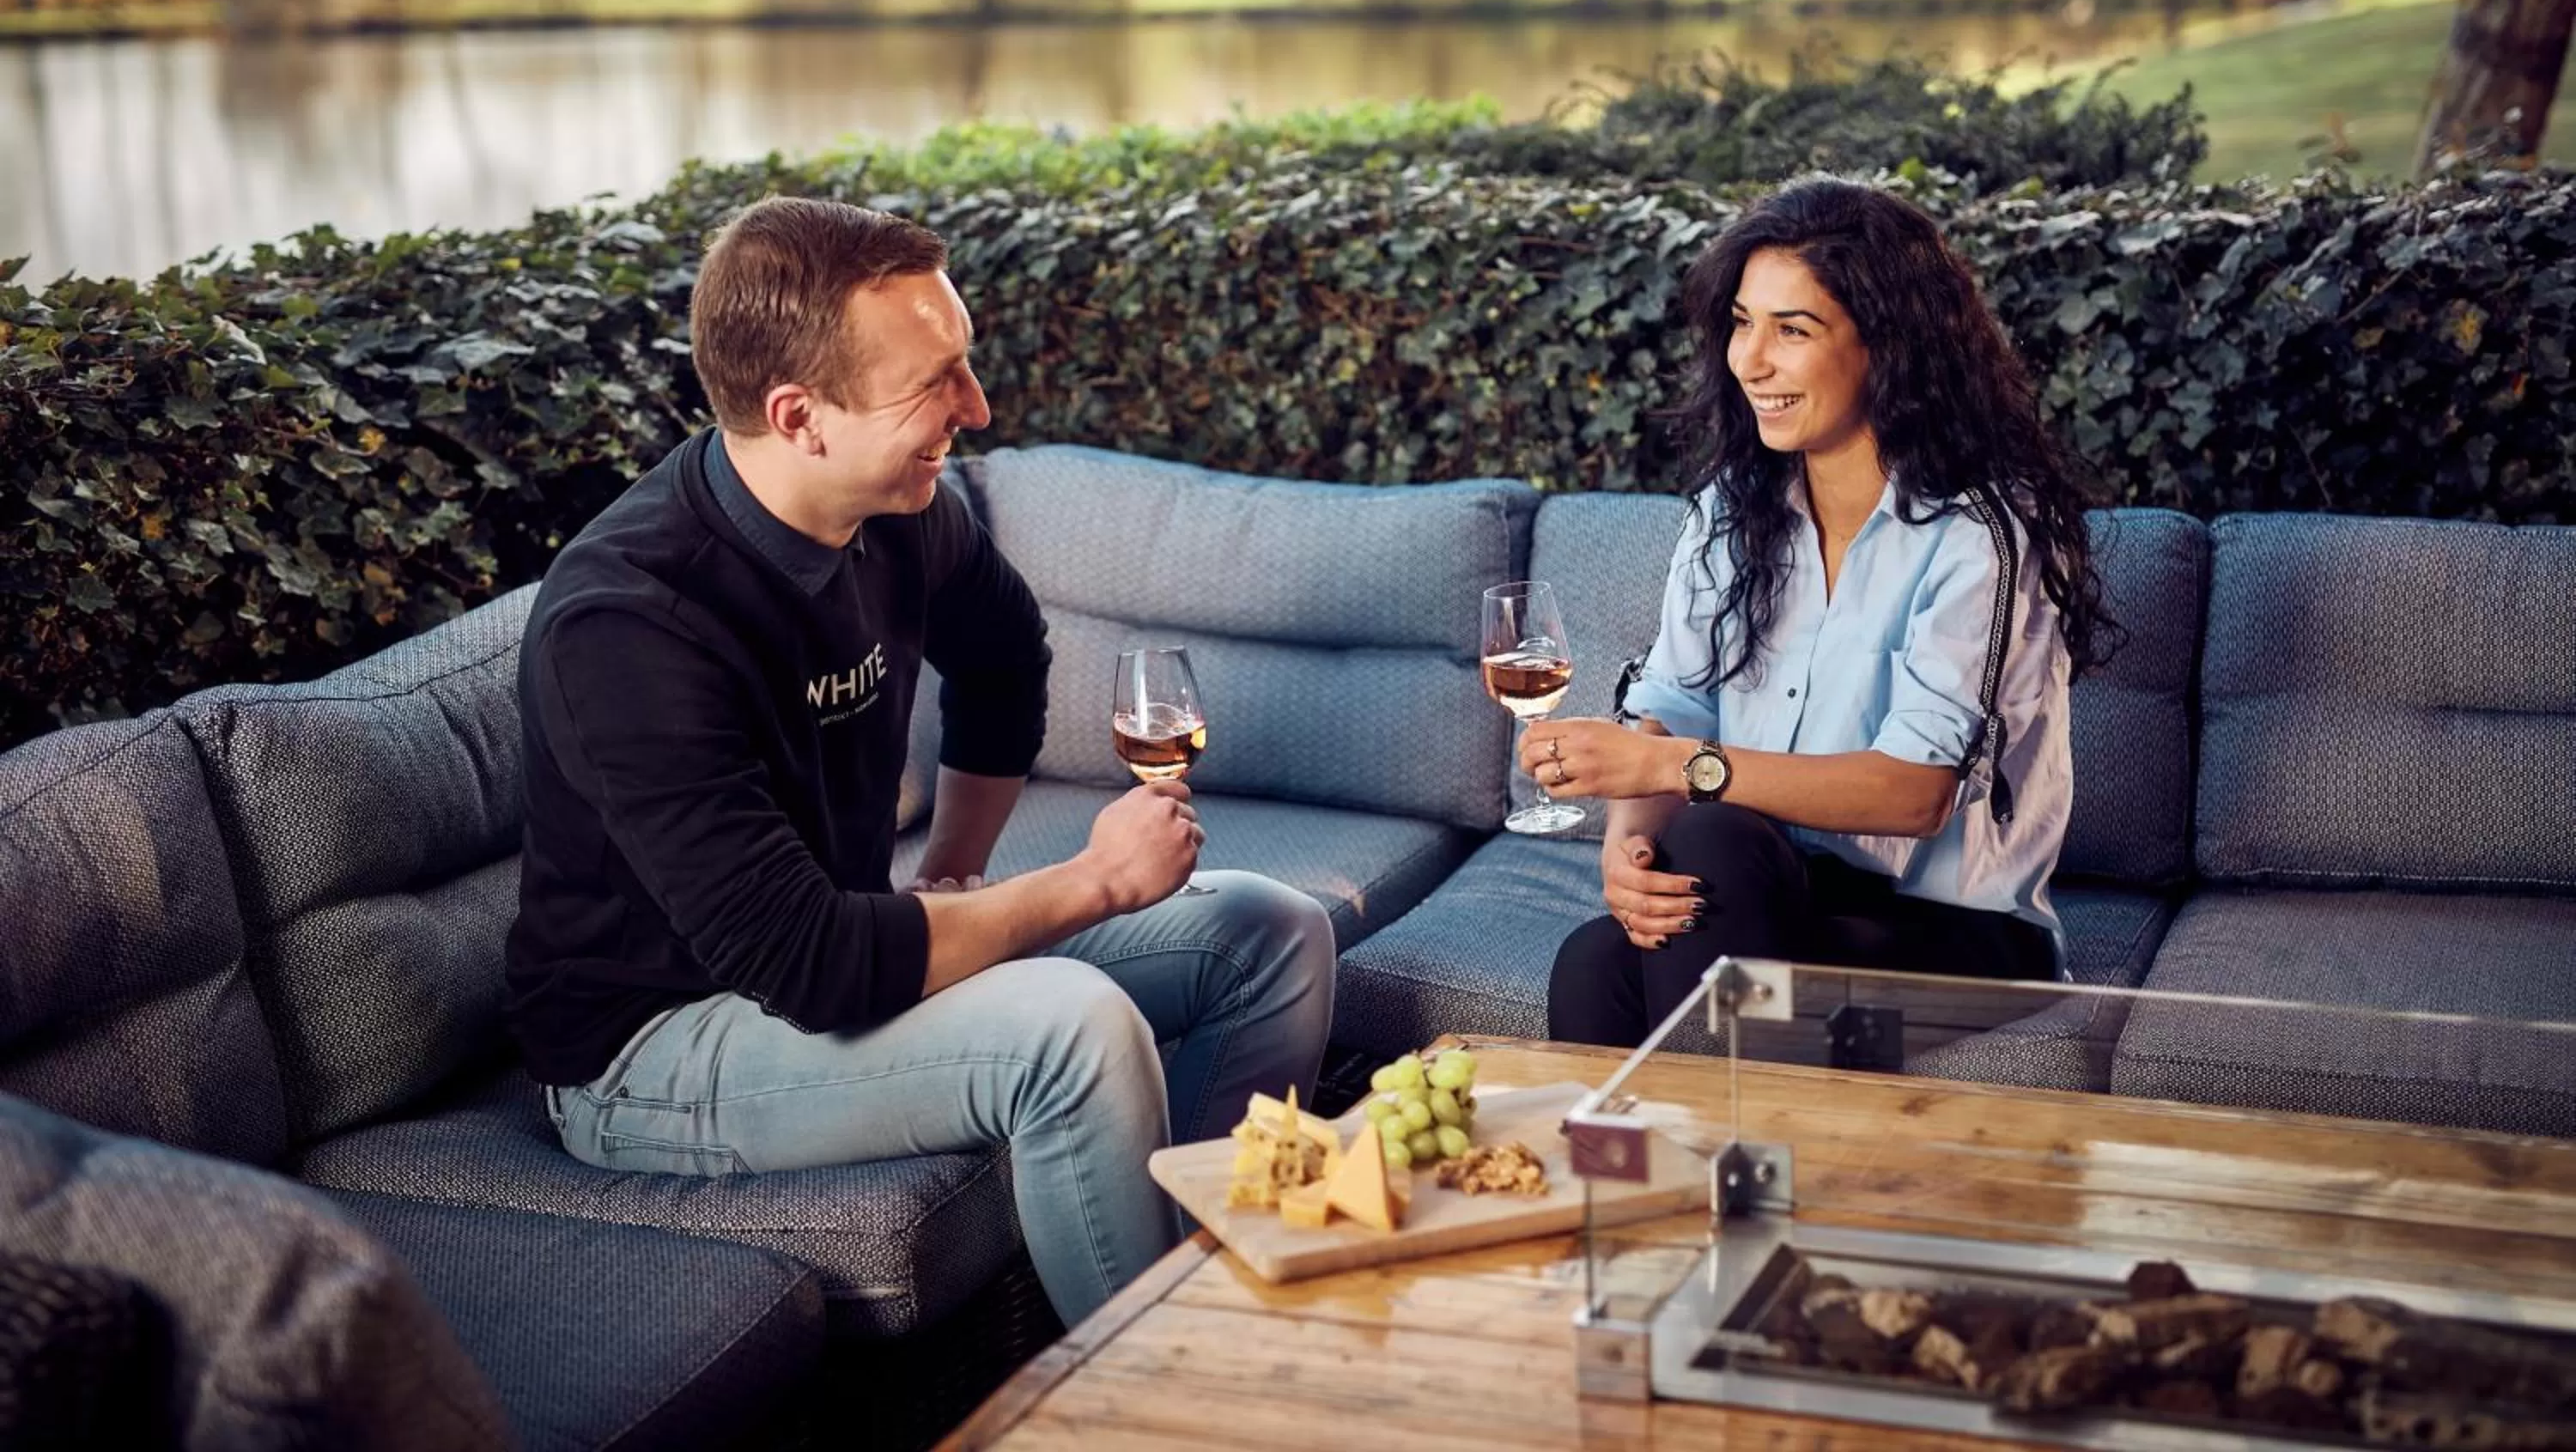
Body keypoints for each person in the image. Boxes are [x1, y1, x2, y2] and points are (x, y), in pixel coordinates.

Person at [503, 195, 1336, 1327]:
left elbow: (1004, 657)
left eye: (966, 364)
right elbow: (808, 964)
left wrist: (952, 873)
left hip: (825, 961)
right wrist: (1089, 884)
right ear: (801, 417)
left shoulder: (896, 509)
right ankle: (1160, 1401)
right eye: (933, 384)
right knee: (1070, 1029)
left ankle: (1208, 1294)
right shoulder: (630, 623)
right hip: (649, 1053)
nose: (976, 410)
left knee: (1270, 933)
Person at [1528, 176, 2114, 1048]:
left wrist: (1670, 769)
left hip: (1961, 935)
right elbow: (1677, 699)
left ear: (1887, 344)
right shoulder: (1735, 508)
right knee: (1594, 957)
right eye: (1741, 321)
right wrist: (1631, 848)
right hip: (1783, 888)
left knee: (1718, 837)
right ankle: (1670, 1178)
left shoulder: (1980, 534)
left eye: (1791, 329)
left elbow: (1914, 793)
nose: (1749, 359)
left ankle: (1732, 1171)